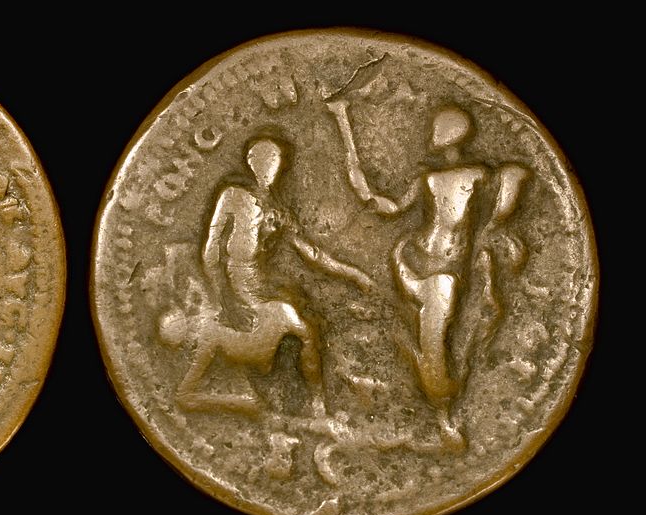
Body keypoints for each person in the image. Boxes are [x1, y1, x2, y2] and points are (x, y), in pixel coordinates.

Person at [328, 101, 527, 431]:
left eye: (437, 129)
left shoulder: (475, 175)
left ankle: (442, 407)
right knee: (433, 342)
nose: (431, 135)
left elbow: (505, 197)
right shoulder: (433, 178)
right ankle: (443, 414)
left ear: (450, 135)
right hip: (425, 264)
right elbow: (387, 207)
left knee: (435, 340)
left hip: (445, 267)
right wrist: (349, 148)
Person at [161, 137, 372, 415]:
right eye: (263, 162)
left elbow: (310, 252)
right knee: (295, 325)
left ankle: (315, 401)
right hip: (235, 284)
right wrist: (223, 298)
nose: (269, 169)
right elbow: (211, 249)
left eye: (274, 163)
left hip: (262, 282)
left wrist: (353, 275)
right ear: (252, 164)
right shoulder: (233, 195)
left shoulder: (277, 209)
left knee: (307, 325)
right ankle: (296, 398)